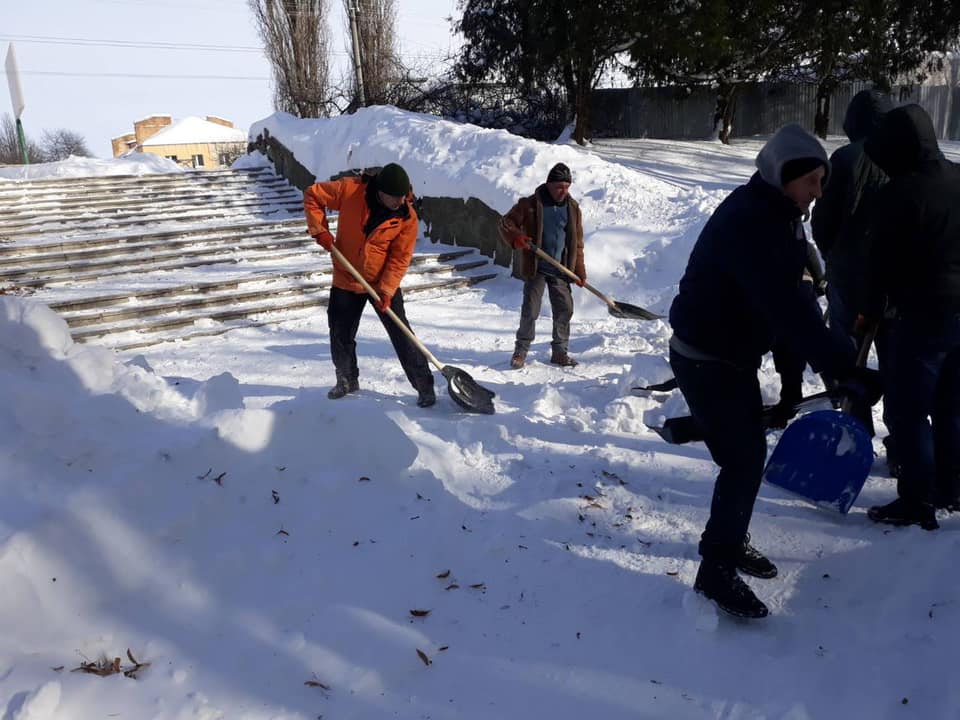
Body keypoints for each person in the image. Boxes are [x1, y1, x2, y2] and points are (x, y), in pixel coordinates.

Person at [668, 124, 881, 619]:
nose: (817, 194)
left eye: (821, 183)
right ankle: (715, 569)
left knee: (744, 452)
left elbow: (795, 300)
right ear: (783, 175)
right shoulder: (753, 223)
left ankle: (728, 538)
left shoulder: (779, 214)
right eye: (811, 182)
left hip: (727, 355)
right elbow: (787, 308)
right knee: (742, 460)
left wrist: (836, 361)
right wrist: (843, 367)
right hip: (706, 357)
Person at [859, 104, 960, 530]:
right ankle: (952, 488)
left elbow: (878, 265)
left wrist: (868, 310)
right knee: (953, 404)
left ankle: (917, 501)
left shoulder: (900, 195)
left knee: (908, 409)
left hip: (923, 316)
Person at [304, 163, 436, 408]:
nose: (398, 202)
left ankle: (424, 386)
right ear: (379, 191)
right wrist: (319, 229)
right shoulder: (350, 190)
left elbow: (400, 258)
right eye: (392, 198)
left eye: (401, 197)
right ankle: (346, 379)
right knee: (340, 332)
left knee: (402, 334)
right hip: (346, 276)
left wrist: (386, 290)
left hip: (381, 281)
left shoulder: (406, 217)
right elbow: (313, 194)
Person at [811, 88, 893, 443]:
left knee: (847, 354)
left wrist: (834, 257)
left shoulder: (844, 159)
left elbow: (822, 221)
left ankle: (856, 430)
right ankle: (902, 446)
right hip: (894, 283)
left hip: (850, 280)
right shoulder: (903, 156)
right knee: (896, 359)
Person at [498, 162, 586, 369]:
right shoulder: (530, 204)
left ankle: (560, 352)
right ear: (548, 184)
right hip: (536, 266)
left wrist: (579, 270)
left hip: (561, 268)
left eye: (567, 187)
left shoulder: (573, 209)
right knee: (530, 310)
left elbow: (578, 243)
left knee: (565, 309)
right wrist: (517, 236)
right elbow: (505, 223)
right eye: (559, 187)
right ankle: (520, 351)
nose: (563, 191)